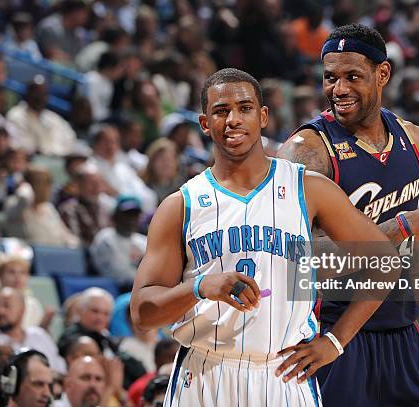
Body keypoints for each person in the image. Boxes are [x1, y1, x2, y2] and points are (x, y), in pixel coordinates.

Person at [131, 68, 402, 406]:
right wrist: (201, 286)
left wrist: (335, 341)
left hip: (283, 375)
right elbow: (143, 313)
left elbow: (386, 260)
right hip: (204, 375)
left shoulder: (309, 189)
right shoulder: (180, 206)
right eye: (220, 111)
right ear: (204, 123)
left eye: (244, 108)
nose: (233, 119)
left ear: (262, 117)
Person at [277, 24, 419, 406]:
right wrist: (404, 225)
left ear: (382, 74)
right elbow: (297, 265)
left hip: (402, 333)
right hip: (331, 336)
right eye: (330, 78)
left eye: (352, 77)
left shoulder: (413, 141)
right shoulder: (307, 151)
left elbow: (410, 251)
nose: (339, 89)